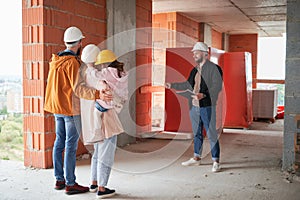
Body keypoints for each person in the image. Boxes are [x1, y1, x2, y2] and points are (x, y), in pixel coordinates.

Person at [44, 27, 112, 195]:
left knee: (59, 142)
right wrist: (97, 93)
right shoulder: (73, 63)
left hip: (55, 107)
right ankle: (70, 183)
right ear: (80, 43)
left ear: (66, 42)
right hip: (69, 109)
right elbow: (78, 89)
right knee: (70, 145)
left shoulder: (55, 60)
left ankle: (59, 179)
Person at [165, 42, 223, 172]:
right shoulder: (195, 69)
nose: (194, 55)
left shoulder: (215, 69)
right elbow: (187, 84)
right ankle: (197, 158)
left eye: (196, 53)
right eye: (193, 53)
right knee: (197, 133)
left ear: (205, 54)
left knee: (211, 133)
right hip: (194, 107)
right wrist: (172, 85)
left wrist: (204, 95)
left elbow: (216, 87)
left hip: (207, 106)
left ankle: (216, 161)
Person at [80, 46, 128, 199]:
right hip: (109, 116)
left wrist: (89, 65)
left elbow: (92, 74)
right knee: (106, 153)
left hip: (99, 115)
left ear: (105, 64)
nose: (99, 67)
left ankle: (95, 183)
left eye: (101, 64)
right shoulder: (122, 74)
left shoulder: (107, 73)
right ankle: (102, 188)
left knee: (99, 152)